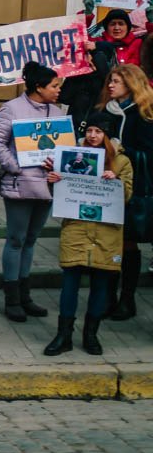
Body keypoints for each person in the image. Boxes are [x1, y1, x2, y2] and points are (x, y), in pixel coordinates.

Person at [44, 112, 129, 356]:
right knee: (69, 284)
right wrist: (54, 180)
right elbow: (60, 192)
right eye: (89, 130)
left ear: (108, 136)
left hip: (106, 233)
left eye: (98, 132)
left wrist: (115, 182)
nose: (92, 136)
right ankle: (64, 335)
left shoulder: (122, 162)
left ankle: (91, 334)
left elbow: (127, 196)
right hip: (76, 230)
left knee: (100, 285)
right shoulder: (70, 156)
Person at [0, 61, 65, 323]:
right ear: (39, 87)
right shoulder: (11, 109)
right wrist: (14, 167)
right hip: (20, 185)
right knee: (16, 239)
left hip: (47, 185)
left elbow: (66, 148)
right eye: (54, 86)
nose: (58, 90)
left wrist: (60, 165)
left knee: (32, 239)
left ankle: (25, 295)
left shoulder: (57, 113)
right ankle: (11, 297)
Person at [95, 63, 153, 320]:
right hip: (102, 186)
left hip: (133, 188)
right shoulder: (103, 111)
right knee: (108, 242)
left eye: (116, 81)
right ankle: (107, 297)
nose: (110, 85)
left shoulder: (144, 114)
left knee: (128, 242)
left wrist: (124, 151)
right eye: (110, 80)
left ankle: (127, 300)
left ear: (131, 84)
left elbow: (150, 153)